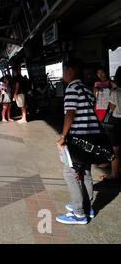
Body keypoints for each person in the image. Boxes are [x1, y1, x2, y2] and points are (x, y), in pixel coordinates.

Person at [56, 59, 100, 225]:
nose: (63, 74)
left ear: (71, 70)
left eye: (64, 70)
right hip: (91, 137)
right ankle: (87, 207)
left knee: (70, 172)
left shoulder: (72, 88)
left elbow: (70, 113)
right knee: (86, 172)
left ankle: (78, 213)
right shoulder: (86, 89)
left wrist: (63, 136)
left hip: (78, 137)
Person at [101, 66, 121, 181]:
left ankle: (114, 174)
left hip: (117, 122)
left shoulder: (115, 92)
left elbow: (112, 108)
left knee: (115, 150)